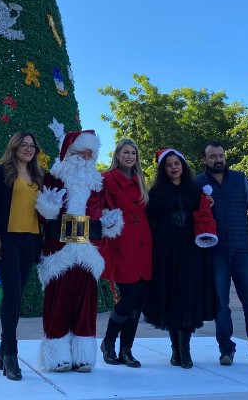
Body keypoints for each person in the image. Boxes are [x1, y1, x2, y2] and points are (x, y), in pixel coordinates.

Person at [35, 130, 123, 372]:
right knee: (59, 301)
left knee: (86, 305)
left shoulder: (97, 184)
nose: (86, 157)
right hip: (58, 251)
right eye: (82, 152)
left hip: (88, 252)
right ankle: (57, 356)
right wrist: (47, 207)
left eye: (90, 153)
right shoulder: (53, 178)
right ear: (69, 153)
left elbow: (104, 213)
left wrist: (109, 223)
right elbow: (42, 217)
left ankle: (83, 355)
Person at [195, 141, 248, 369]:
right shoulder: (197, 183)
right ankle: (226, 349)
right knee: (220, 305)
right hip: (215, 254)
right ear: (204, 160)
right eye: (212, 156)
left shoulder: (241, 179)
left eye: (221, 155)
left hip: (243, 252)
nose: (218, 159)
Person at [144, 148, 218, 368]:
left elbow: (203, 214)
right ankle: (175, 350)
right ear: (163, 169)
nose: (173, 168)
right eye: (168, 165)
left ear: (183, 166)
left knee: (187, 298)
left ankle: (185, 351)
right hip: (166, 251)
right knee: (170, 298)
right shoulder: (156, 192)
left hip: (191, 250)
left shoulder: (194, 190)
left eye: (176, 163)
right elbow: (150, 220)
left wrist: (209, 203)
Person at [0, 131, 45, 381]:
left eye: (32, 145)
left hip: (30, 240)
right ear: (15, 147)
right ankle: (11, 353)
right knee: (11, 293)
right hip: (7, 239)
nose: (29, 149)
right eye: (24, 145)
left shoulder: (38, 175)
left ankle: (2, 347)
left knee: (17, 294)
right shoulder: (3, 171)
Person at [100, 139, 151, 368]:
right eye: (126, 152)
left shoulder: (140, 179)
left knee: (138, 302)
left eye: (133, 153)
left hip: (143, 241)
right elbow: (96, 206)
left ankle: (127, 349)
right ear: (117, 154)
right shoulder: (107, 178)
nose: (130, 156)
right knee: (128, 299)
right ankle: (109, 342)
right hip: (122, 242)